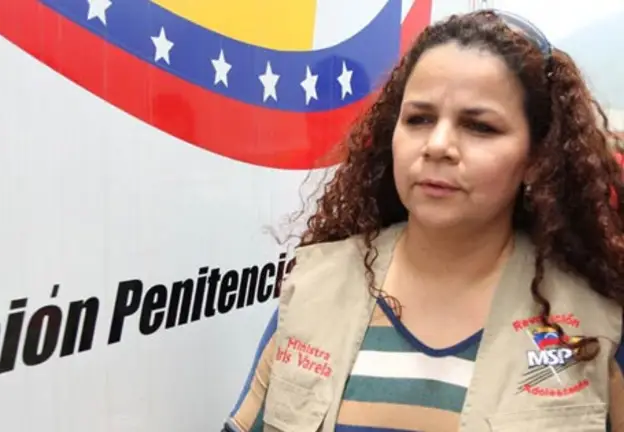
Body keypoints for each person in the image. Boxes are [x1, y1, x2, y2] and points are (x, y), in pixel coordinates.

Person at [223, 9, 624, 432]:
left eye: (479, 126)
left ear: (536, 157)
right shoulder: (315, 288)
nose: (437, 145)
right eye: (419, 119)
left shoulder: (596, 321)